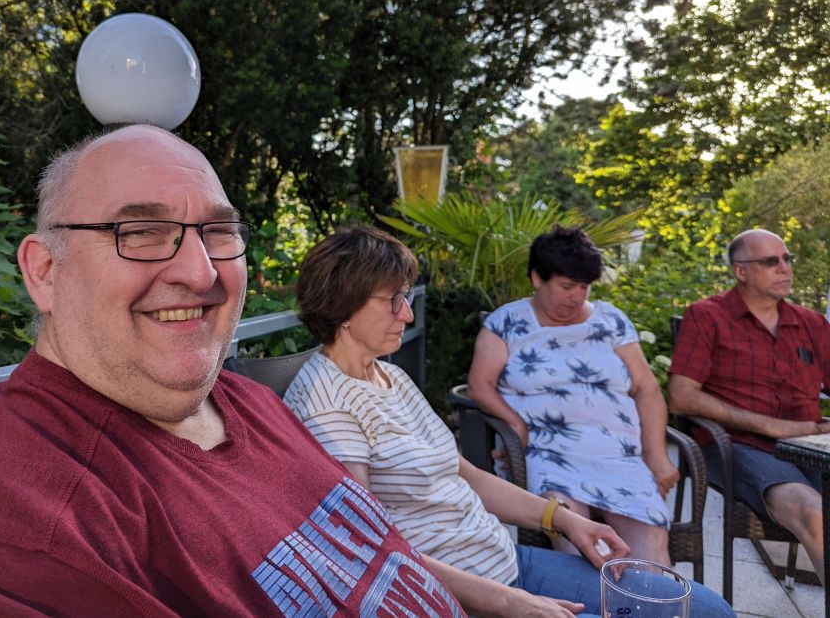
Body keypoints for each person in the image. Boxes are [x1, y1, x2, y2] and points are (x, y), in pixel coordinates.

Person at [0, 125, 464, 616]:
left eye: (218, 232)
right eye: (140, 232)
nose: (200, 272)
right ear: (45, 271)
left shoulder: (247, 401)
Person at [283, 226, 733, 618]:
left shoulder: (389, 376)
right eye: (393, 300)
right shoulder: (327, 403)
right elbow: (368, 545)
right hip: (457, 594)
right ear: (343, 305)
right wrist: (509, 603)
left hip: (503, 559)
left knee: (708, 610)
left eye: (407, 297)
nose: (408, 313)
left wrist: (563, 521)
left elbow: (467, 475)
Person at [467, 225, 677, 565]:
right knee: (577, 538)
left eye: (585, 287)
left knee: (651, 546)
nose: (577, 297)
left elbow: (647, 388)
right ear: (537, 278)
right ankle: (589, 596)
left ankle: (646, 596)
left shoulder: (611, 321)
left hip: (618, 456)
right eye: (567, 286)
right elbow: (480, 384)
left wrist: (656, 456)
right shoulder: (507, 323)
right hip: (550, 453)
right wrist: (515, 423)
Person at [669, 227, 830, 584]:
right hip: (739, 446)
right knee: (814, 513)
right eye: (771, 261)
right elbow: (681, 396)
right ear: (740, 271)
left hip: (812, 448)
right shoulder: (707, 317)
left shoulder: (811, 324)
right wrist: (771, 426)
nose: (785, 269)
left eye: (787, 259)